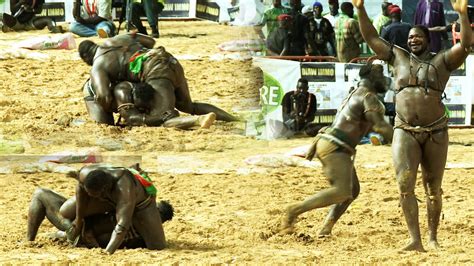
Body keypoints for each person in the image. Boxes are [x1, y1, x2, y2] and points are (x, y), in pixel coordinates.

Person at [353, 0, 472, 252]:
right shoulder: (397, 57)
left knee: (432, 187)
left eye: (418, 37)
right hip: (404, 129)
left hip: (436, 132)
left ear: (428, 39)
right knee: (405, 185)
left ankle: (432, 238)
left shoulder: (442, 61)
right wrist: (360, 9)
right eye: (410, 37)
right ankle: (414, 239)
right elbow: (371, 37)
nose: (413, 40)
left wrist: (462, 14)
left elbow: (466, 44)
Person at [280, 63, 393, 237]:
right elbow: (380, 126)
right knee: (341, 191)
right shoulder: (368, 97)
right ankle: (294, 210)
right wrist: (404, 140)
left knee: (352, 190)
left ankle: (326, 228)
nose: (385, 80)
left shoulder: (356, 94)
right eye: (381, 75)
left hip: (335, 144)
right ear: (372, 78)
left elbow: (367, 126)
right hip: (335, 145)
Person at [78, 33, 238, 126]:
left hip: (154, 71)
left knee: (163, 117)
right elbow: (150, 41)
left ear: (86, 59)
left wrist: (118, 104)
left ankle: (199, 121)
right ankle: (234, 119)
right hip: (169, 60)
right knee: (188, 105)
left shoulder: (98, 65)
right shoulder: (121, 37)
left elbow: (103, 97)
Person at [60, 164, 168, 254]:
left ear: (105, 189)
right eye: (91, 194)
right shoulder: (85, 173)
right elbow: (80, 189)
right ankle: (88, 227)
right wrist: (78, 220)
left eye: (96, 195)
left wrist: (107, 253)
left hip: (142, 206)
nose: (95, 198)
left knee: (158, 246)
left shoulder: (125, 188)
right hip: (109, 199)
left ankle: (138, 231)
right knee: (66, 211)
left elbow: (122, 226)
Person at [27, 187, 174, 249]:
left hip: (83, 231)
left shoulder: (134, 216)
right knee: (59, 230)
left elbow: (104, 228)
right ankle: (64, 234)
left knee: (40, 194)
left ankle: (29, 241)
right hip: (86, 229)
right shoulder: (147, 235)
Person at [111, 81, 217, 128]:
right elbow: (133, 118)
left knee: (167, 122)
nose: (141, 109)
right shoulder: (122, 91)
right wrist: (161, 117)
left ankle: (200, 120)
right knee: (104, 122)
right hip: (98, 99)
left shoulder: (142, 90)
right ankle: (199, 120)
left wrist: (162, 117)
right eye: (140, 108)